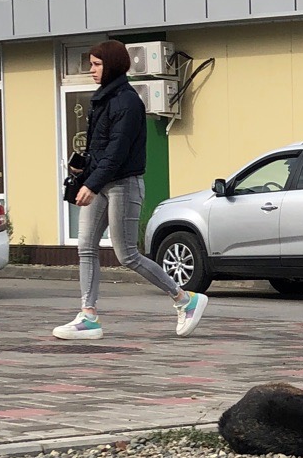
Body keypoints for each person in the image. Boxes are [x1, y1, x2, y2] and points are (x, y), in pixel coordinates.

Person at [54, 40, 209, 341]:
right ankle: (88, 316)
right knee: (85, 246)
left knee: (127, 255)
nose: (91, 70)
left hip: (124, 185)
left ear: (111, 65)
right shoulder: (102, 99)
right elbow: (100, 149)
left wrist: (91, 183)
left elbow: (117, 151)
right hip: (101, 182)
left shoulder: (127, 101)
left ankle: (184, 299)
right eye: (92, 64)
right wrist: (83, 172)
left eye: (97, 64)